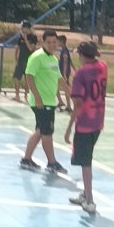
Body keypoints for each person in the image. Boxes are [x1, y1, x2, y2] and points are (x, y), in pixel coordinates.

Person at [64, 40, 107, 215]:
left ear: (82, 55)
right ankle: (85, 194)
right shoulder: (103, 67)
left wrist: (69, 128)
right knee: (86, 158)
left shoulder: (80, 74)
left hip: (85, 123)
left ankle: (89, 199)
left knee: (85, 162)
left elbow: (78, 104)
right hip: (98, 120)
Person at [19, 30, 67, 175]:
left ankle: (26, 159)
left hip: (49, 101)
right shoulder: (37, 57)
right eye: (49, 42)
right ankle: (52, 163)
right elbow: (29, 77)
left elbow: (59, 78)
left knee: (40, 131)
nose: (52, 45)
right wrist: (37, 97)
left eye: (54, 42)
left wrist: (71, 93)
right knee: (47, 132)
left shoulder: (53, 58)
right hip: (41, 103)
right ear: (42, 42)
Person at [12, 20, 33, 101]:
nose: (22, 29)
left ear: (27, 28)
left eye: (23, 27)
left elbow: (30, 48)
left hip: (29, 61)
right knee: (16, 77)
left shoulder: (33, 37)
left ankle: (26, 96)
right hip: (20, 61)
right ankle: (17, 95)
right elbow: (17, 48)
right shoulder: (20, 38)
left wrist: (26, 39)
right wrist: (15, 58)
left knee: (27, 80)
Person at [57, 34, 73, 111]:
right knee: (57, 86)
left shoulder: (64, 51)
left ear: (61, 42)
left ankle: (68, 105)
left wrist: (64, 73)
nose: (57, 43)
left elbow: (65, 61)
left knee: (65, 88)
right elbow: (70, 61)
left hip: (63, 72)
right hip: (63, 72)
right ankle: (61, 102)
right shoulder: (64, 49)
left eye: (58, 41)